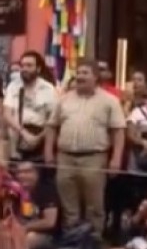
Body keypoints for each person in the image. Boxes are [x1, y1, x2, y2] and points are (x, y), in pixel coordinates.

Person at [44, 57, 126, 234]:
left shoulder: (110, 101)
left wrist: (116, 159)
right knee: (68, 206)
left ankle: (93, 245)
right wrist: (49, 153)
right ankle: (71, 245)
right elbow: (51, 127)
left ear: (96, 77)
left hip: (94, 159)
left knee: (94, 207)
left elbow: (118, 131)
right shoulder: (64, 99)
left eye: (85, 73)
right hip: (65, 158)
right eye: (78, 72)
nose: (80, 76)